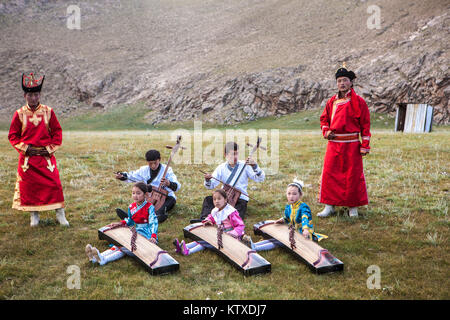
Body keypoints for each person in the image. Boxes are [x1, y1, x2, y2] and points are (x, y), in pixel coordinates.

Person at [8, 72, 68, 227]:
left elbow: (57, 132)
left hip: (46, 158)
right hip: (28, 159)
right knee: (29, 187)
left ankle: (60, 214)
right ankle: (34, 216)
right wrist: (26, 149)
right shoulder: (19, 114)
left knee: (54, 184)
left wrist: (48, 149)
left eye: (36, 95)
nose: (33, 98)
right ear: (24, 96)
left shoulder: (49, 111)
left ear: (39, 94)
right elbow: (13, 136)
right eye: (30, 95)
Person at [317, 64, 371, 218]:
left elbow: (365, 125)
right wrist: (326, 131)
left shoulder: (359, 102)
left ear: (350, 82)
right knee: (330, 174)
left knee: (352, 176)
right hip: (334, 144)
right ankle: (329, 205)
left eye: (345, 80)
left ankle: (352, 206)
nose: (342, 83)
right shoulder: (331, 102)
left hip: (352, 145)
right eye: (339, 81)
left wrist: (365, 145)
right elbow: (324, 120)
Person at [242, 180, 327, 251]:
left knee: (280, 241)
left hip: (303, 234)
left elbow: (305, 218)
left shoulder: (303, 207)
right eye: (289, 194)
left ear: (300, 195)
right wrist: (282, 220)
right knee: (276, 238)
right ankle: (253, 245)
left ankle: (256, 248)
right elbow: (287, 218)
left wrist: (305, 229)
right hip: (294, 231)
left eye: (294, 194)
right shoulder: (289, 207)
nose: (291, 196)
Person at [85, 182, 158, 266]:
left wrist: (153, 236)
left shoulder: (149, 207)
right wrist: (119, 224)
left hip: (147, 233)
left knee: (126, 247)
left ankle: (104, 259)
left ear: (145, 194)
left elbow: (153, 222)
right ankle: (97, 257)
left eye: (138, 193)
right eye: (133, 193)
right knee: (120, 244)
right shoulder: (131, 207)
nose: (135, 195)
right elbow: (130, 221)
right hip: (136, 231)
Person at [193, 141, 265, 222]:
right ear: (225, 155)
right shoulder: (221, 168)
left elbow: (260, 179)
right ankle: (205, 220)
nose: (235, 156)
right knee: (208, 200)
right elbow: (211, 185)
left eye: (236, 153)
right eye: (232, 154)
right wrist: (207, 179)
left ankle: (229, 222)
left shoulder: (245, 165)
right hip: (224, 196)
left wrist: (255, 166)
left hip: (239, 198)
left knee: (240, 207)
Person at [115, 149, 180, 223]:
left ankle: (157, 216)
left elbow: (177, 186)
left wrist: (168, 183)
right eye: (150, 163)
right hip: (150, 195)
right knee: (142, 199)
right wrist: (122, 175)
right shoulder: (144, 170)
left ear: (159, 160)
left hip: (165, 197)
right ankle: (130, 216)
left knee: (164, 206)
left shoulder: (167, 170)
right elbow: (132, 176)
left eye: (155, 163)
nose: (153, 166)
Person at [173, 189, 245, 256]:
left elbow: (240, 226)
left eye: (219, 199)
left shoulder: (230, 212)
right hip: (221, 234)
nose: (217, 201)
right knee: (204, 238)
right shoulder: (216, 210)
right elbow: (211, 217)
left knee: (208, 241)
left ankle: (188, 251)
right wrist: (208, 221)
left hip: (231, 237)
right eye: (214, 199)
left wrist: (232, 234)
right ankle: (182, 246)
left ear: (225, 200)